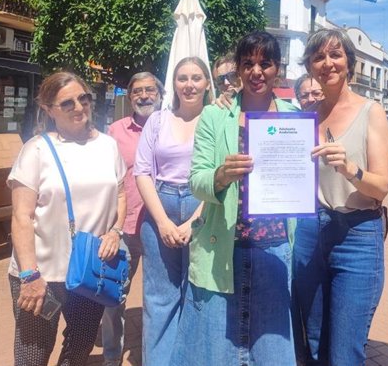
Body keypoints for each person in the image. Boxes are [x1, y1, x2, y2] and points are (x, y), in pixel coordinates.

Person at [171, 31, 299, 366]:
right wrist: (220, 176)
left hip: (274, 249)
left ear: (277, 69)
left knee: (271, 352)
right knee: (220, 352)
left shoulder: (293, 116)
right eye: (249, 63)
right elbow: (196, 181)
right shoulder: (216, 115)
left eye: (265, 63)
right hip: (225, 246)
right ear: (238, 70)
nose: (257, 71)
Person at [8, 71, 126, 366]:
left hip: (88, 272)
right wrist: (29, 275)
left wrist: (115, 231)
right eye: (67, 103)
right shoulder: (36, 149)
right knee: (32, 355)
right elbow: (21, 216)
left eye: (83, 98)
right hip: (43, 274)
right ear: (49, 109)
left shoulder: (108, 146)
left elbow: (121, 195)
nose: (79, 107)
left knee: (80, 347)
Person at [293, 28, 388, 366]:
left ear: (349, 62)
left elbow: (381, 188)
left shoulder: (372, 112)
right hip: (311, 232)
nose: (327, 63)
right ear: (309, 66)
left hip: (357, 234)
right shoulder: (304, 116)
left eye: (335, 55)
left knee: (345, 350)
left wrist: (351, 169)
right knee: (314, 339)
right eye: (318, 57)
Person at [133, 58, 209, 366]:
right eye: (182, 78)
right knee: (159, 297)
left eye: (196, 77)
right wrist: (162, 222)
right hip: (159, 207)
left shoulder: (216, 120)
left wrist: (195, 221)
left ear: (206, 83)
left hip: (202, 206)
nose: (189, 84)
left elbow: (221, 176)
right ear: (173, 84)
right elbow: (141, 172)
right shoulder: (158, 121)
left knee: (198, 294)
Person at [101, 72, 164, 366]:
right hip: (123, 228)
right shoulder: (114, 132)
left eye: (150, 89)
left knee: (159, 295)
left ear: (160, 93)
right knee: (114, 296)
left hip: (161, 227)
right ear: (129, 96)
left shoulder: (172, 127)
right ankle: (112, 356)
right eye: (137, 90)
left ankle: (156, 353)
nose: (144, 95)